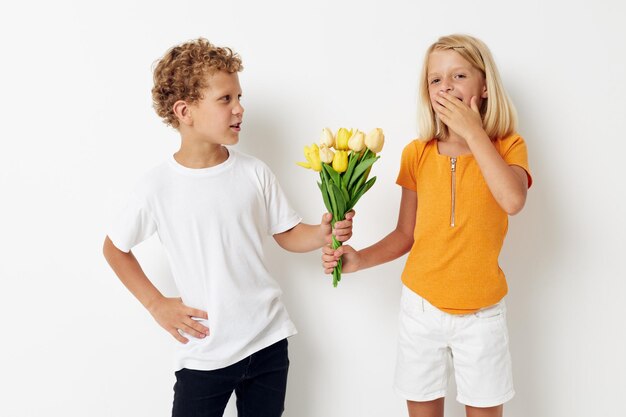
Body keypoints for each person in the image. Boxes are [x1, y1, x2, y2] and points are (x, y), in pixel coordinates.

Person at [103, 38, 354, 417]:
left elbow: (286, 234)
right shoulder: (157, 187)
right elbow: (114, 248)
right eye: (225, 99)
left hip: (268, 341)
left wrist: (323, 233)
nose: (239, 109)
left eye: (239, 96)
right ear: (185, 111)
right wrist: (157, 304)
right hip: (205, 353)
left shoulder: (254, 172)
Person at [322, 34, 532, 417]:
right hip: (420, 311)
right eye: (435, 79)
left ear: (484, 87)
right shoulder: (417, 153)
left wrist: (473, 132)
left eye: (459, 75)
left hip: (481, 314)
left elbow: (513, 200)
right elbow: (406, 234)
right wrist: (359, 260)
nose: (446, 86)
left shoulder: (507, 146)